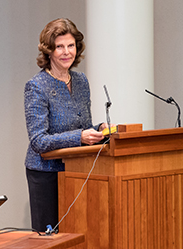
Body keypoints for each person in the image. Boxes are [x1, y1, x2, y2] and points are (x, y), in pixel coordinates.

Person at [24, 18, 111, 232]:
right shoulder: (36, 86)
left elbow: (83, 124)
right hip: (46, 173)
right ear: (49, 51)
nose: (66, 52)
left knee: (77, 232)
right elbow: (38, 141)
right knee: (49, 237)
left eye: (70, 46)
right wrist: (79, 137)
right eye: (59, 47)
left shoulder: (81, 81)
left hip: (77, 170)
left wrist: (99, 128)